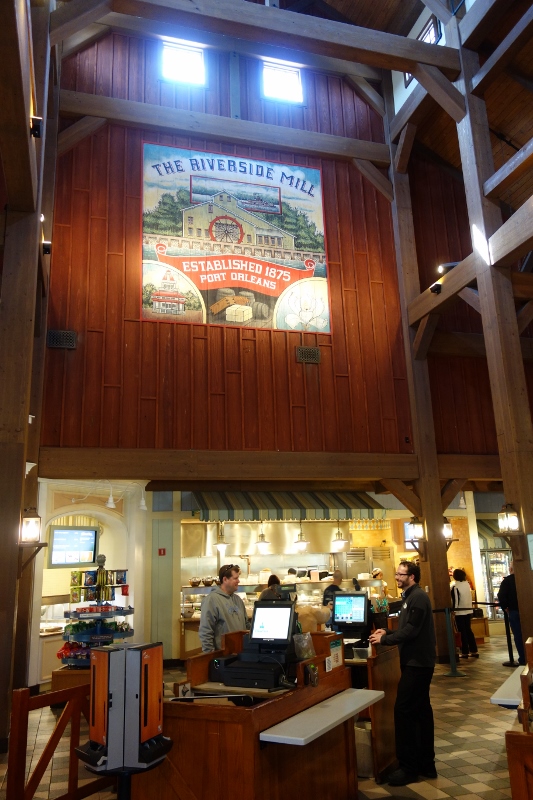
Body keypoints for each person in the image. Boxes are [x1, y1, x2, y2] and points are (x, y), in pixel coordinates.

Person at [369, 561, 436, 786]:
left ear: (412, 576)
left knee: (403, 710)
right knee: (421, 711)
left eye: (401, 574)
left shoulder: (417, 597)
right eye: (396, 573)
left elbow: (411, 631)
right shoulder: (410, 596)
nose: (397, 577)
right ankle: (426, 764)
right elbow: (406, 628)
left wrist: (385, 639)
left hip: (418, 664)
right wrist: (387, 630)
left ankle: (408, 768)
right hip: (415, 662)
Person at [198, 564, 249, 652]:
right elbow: (206, 631)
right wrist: (209, 656)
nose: (238, 581)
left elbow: (246, 624)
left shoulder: (238, 600)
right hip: (223, 656)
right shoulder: (211, 600)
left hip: (240, 653)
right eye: (235, 578)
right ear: (225, 579)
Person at [498, 562, 525, 665]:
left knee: (518, 636)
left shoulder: (507, 581)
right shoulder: (526, 578)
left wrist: (505, 607)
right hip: (527, 611)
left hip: (514, 611)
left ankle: (523, 659)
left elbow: (501, 595)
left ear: (511, 569)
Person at [451, 568, 478, 659]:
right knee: (468, 630)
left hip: (460, 611)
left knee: (461, 632)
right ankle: (474, 650)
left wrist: (454, 610)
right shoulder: (467, 584)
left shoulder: (455, 586)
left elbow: (456, 600)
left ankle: (465, 652)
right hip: (468, 610)